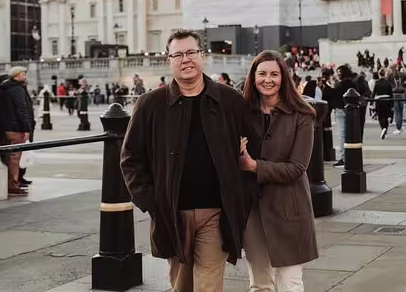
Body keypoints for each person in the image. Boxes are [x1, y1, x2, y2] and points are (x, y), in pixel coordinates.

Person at [121, 29, 258, 292]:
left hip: (216, 213)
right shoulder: (150, 104)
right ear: (169, 59)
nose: (186, 59)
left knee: (208, 284)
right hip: (172, 213)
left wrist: (242, 194)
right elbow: (130, 159)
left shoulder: (229, 99)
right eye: (178, 54)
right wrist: (150, 202)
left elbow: (254, 147)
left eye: (191, 52)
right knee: (181, 285)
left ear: (202, 56)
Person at [238, 51, 318, 291]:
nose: (268, 79)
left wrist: (253, 166)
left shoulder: (302, 115)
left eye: (274, 74)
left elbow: (297, 168)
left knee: (290, 282)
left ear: (284, 77)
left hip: (289, 208)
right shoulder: (242, 113)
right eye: (261, 73)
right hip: (253, 209)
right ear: (253, 78)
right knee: (260, 283)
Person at [0, 67, 35, 196]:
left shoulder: (5, 89)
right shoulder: (17, 89)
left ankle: (12, 182)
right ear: (17, 75)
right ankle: (13, 183)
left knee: (10, 155)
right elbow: (22, 110)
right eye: (24, 73)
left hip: (6, 127)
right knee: (15, 156)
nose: (25, 75)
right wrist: (26, 128)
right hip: (15, 128)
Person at [372, 69, 394, 140]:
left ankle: (383, 129)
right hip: (387, 100)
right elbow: (391, 94)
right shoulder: (388, 83)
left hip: (379, 100)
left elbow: (373, 93)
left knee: (380, 116)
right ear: (385, 74)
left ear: (379, 74)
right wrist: (392, 104)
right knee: (386, 116)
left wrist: (371, 102)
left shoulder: (377, 83)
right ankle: (385, 129)